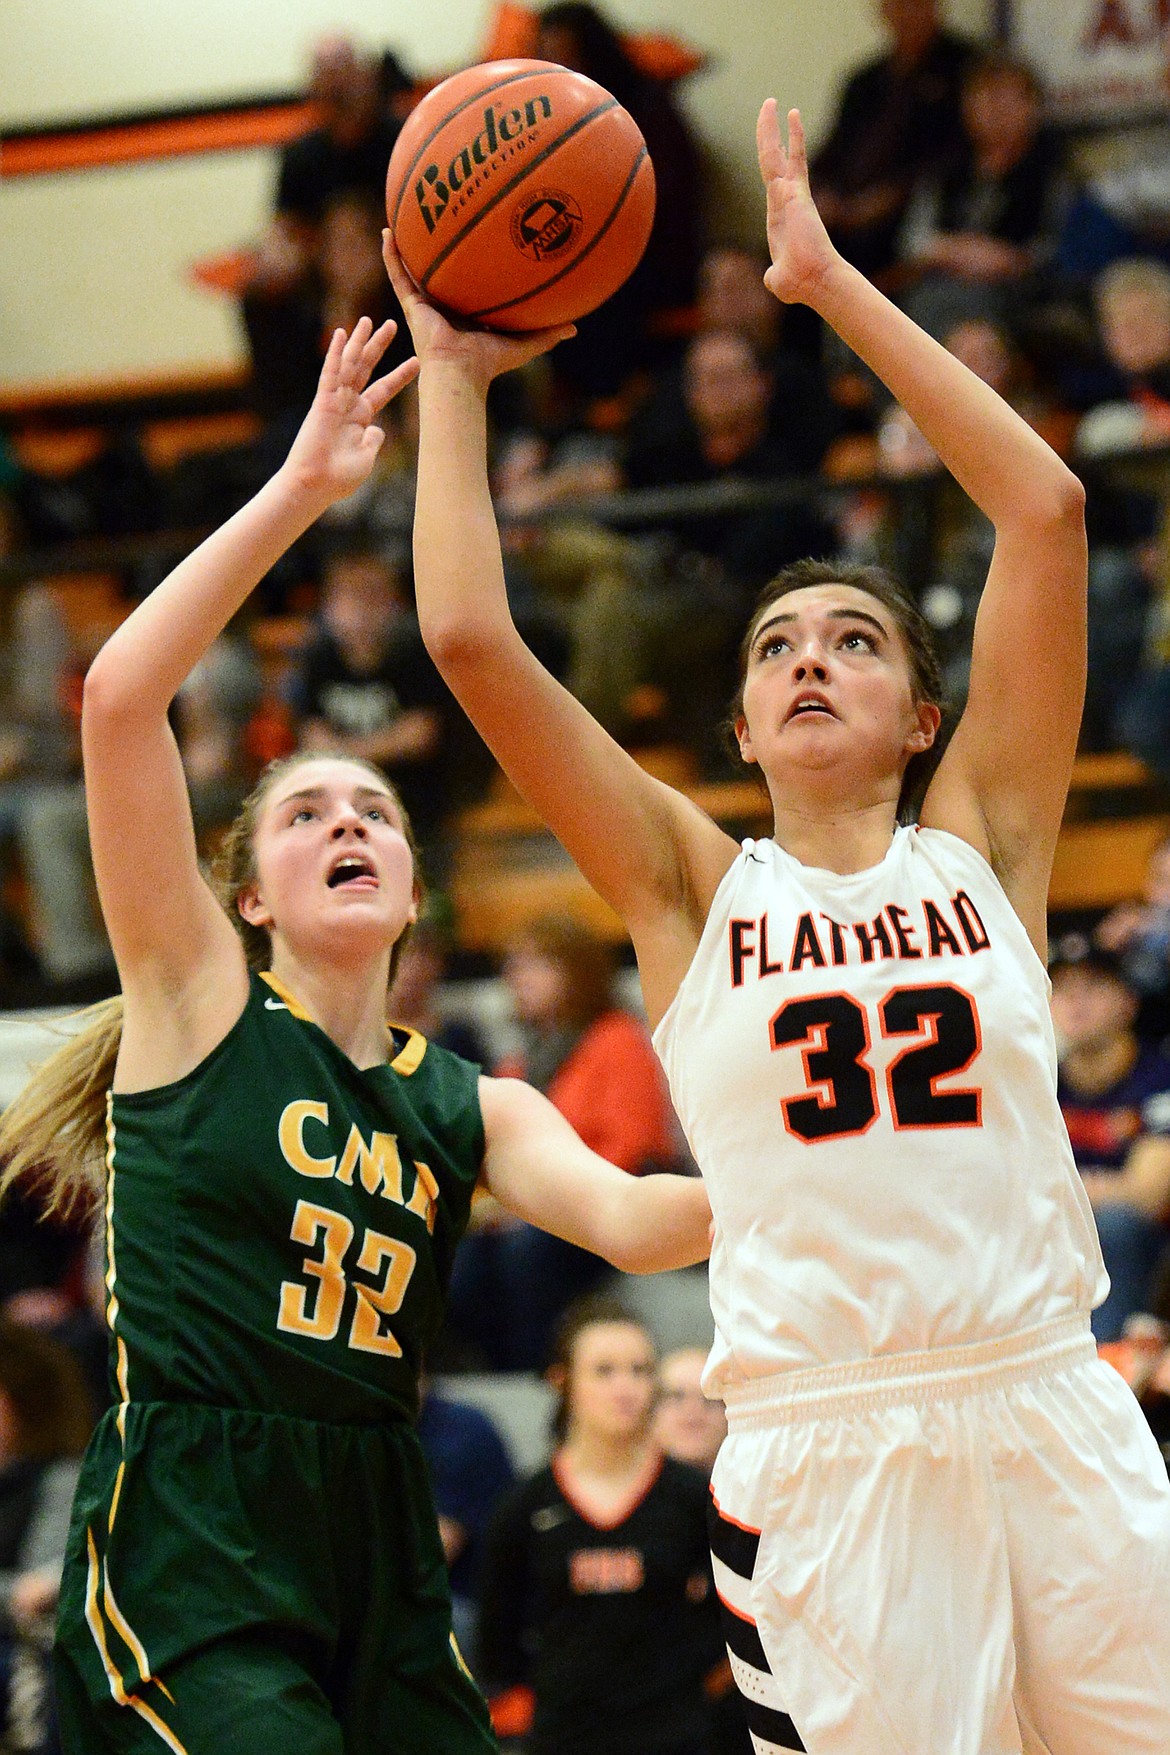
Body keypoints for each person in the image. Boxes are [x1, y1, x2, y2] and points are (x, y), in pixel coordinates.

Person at [387, 95, 1170, 1753]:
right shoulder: (692, 892)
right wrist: (449, 382)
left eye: (854, 640)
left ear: (917, 712)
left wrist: (826, 284)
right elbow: (467, 635)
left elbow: (1043, 512)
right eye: (778, 646)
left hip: (1049, 1396)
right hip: (831, 1447)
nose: (812, 655)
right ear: (739, 728)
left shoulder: (989, 847)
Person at [0, 317, 711, 1755]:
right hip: (194, 1530)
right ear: (248, 894)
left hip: (375, 1537)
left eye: (371, 810)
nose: (348, 823)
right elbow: (123, 696)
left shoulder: (473, 1100)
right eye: (307, 812)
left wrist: (846, 1174)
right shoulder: (195, 997)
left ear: (409, 891)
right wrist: (303, 486)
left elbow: (638, 1223)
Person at [444, 913, 684, 1371]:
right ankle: (499, 1374)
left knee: (526, 1255)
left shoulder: (616, 1037)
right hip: (533, 1212)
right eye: (515, 966)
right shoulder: (523, 1055)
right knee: (464, 1259)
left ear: (578, 972)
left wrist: (547, 1200)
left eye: (536, 965)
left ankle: (538, 1372)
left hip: (606, 1202)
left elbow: (632, 1147)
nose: (519, 979)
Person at [476, 1297, 715, 1755]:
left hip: (678, 1737)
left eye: (640, 1370)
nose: (625, 1388)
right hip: (562, 1738)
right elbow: (496, 1644)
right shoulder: (525, 1507)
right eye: (604, 1371)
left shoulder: (693, 1498)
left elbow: (731, 1624)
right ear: (562, 1381)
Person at [1050, 936, 1170, 1341]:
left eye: (1094, 987)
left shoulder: (1159, 1077)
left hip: (1149, 1252)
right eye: (1063, 990)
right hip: (1063, 1239)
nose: (1076, 1002)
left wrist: (1067, 1193)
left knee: (1116, 1225)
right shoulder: (1040, 1081)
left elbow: (1148, 1194)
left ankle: (1110, 1364)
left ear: (1127, 1002)